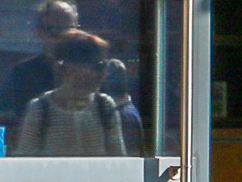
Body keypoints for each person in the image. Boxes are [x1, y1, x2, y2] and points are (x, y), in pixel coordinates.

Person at [16, 29, 146, 158]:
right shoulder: (41, 108)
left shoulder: (104, 105)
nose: (103, 74)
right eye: (97, 67)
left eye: (103, 66)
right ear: (67, 67)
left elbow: (119, 161)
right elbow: (25, 160)